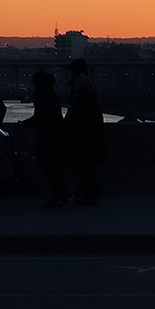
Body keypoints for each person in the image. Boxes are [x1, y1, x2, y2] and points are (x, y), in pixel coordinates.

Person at [20, 71, 67, 208]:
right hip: (54, 136)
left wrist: (25, 124)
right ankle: (61, 194)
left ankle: (59, 196)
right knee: (51, 167)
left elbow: (40, 117)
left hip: (48, 137)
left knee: (48, 167)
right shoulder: (50, 95)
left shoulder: (44, 96)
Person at [64, 58, 104, 205]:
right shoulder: (87, 88)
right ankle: (90, 192)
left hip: (82, 132)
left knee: (83, 164)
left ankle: (91, 192)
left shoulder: (81, 90)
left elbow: (74, 110)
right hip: (89, 131)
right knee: (85, 165)